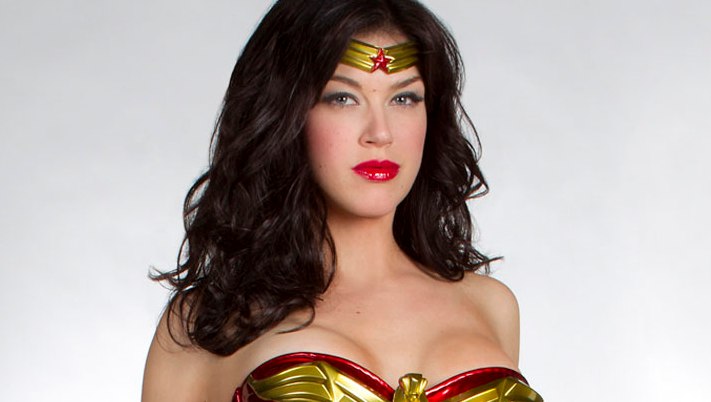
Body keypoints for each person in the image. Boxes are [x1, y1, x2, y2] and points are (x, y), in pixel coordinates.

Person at [142, 1, 543, 401]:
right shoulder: (202, 325)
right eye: (343, 98)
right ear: (286, 114)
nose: (380, 133)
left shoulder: (492, 307)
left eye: (404, 98)